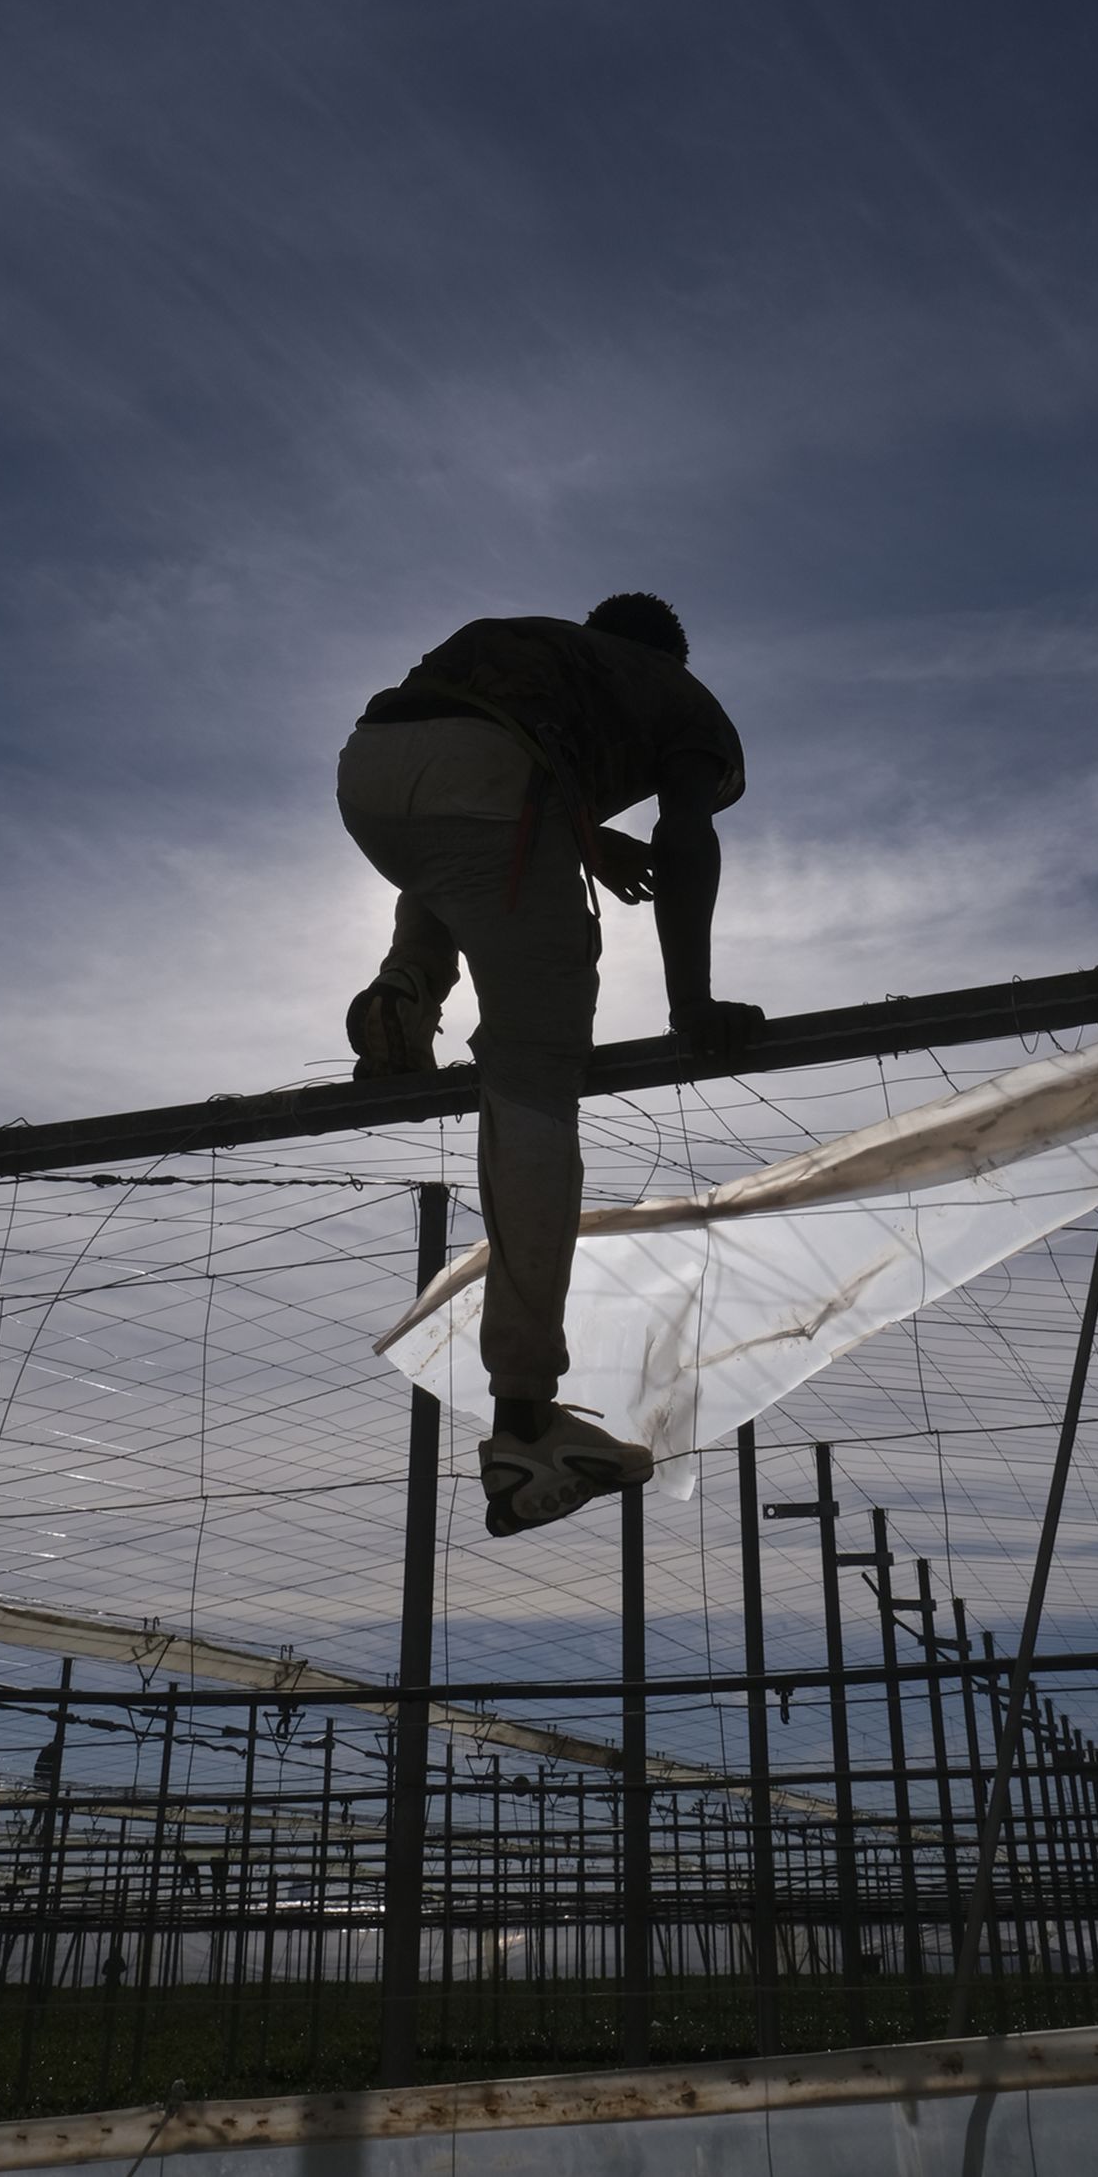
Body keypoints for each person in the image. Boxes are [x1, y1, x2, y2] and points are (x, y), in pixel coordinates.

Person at [337, 594, 762, 1538]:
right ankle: (526, 1416)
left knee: (459, 863)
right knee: (536, 1070)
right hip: (493, 787)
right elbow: (686, 835)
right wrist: (693, 1005)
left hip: (370, 772)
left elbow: (463, 757)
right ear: (672, 655)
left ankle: (406, 994)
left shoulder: (538, 644)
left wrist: (579, 828)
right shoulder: (684, 698)